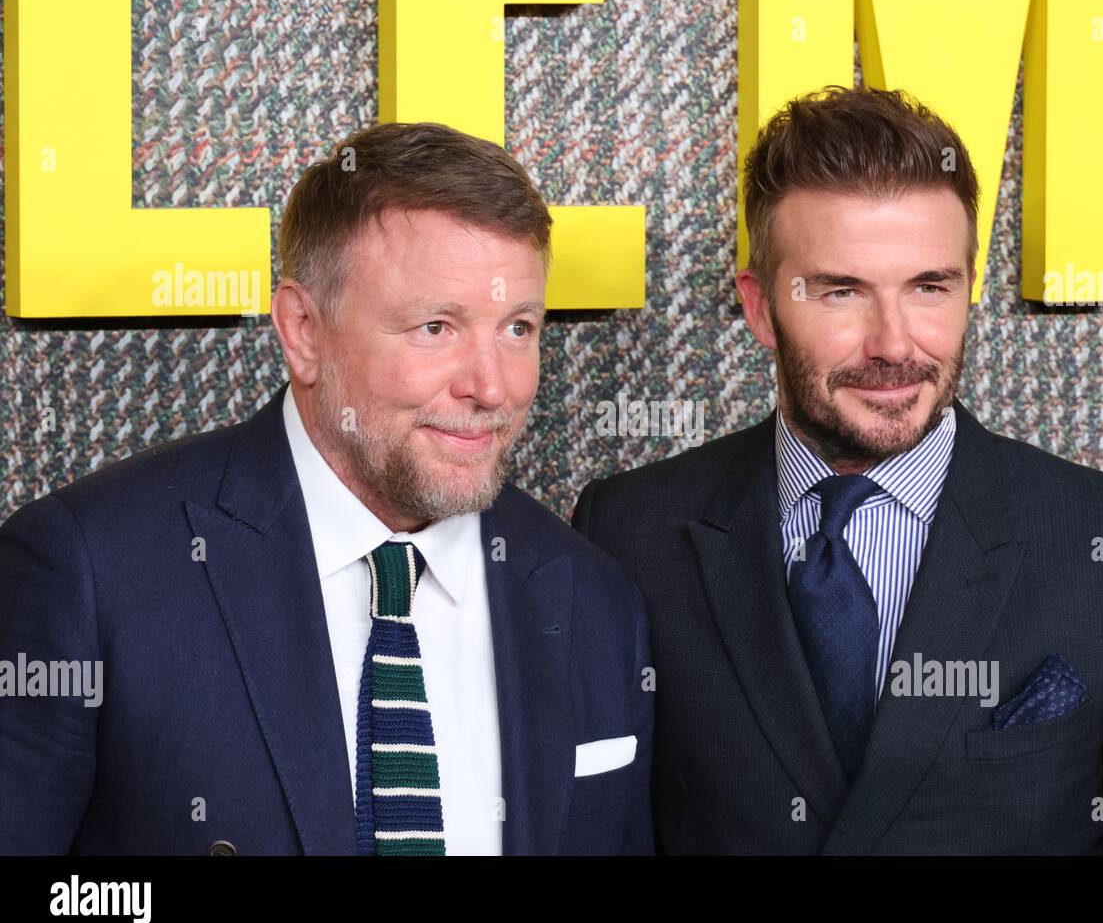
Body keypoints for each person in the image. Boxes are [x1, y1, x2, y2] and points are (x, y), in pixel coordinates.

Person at [572, 85, 1103, 855]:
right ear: (761, 307)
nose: (893, 344)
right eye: (842, 292)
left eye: (929, 287)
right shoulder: (628, 532)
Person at [0, 122, 652, 855]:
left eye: (519, 328)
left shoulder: (595, 600)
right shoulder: (91, 570)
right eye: (436, 328)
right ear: (303, 329)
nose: (492, 386)